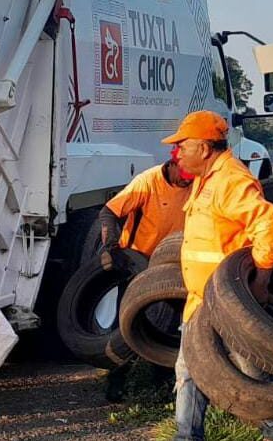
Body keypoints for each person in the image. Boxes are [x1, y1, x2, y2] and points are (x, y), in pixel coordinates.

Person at [162, 110, 273, 441]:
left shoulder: (231, 179)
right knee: (189, 370)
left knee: (250, 370)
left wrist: (261, 281)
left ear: (204, 148)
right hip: (200, 302)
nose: (177, 153)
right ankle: (186, 437)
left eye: (183, 146)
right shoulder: (207, 179)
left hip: (230, 301)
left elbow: (269, 226)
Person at [98, 151, 194, 402]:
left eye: (191, 176)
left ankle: (161, 383)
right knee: (127, 324)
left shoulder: (197, 183)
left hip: (173, 266)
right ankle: (117, 380)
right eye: (183, 176)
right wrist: (111, 247)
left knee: (168, 325)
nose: (187, 181)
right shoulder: (148, 181)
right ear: (172, 164)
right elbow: (109, 212)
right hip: (138, 264)